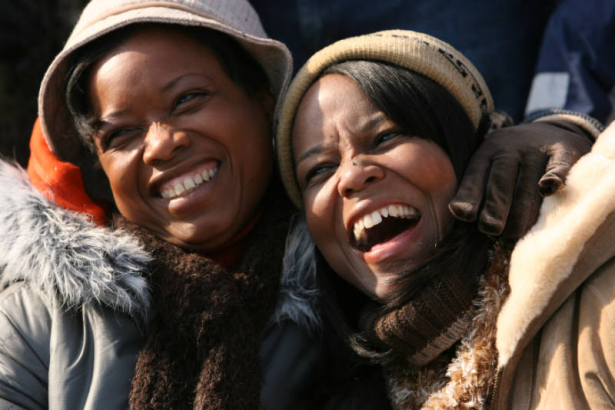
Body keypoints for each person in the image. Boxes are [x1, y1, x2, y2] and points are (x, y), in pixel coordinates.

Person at [0, 1, 602, 409]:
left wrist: (568, 138)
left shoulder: (344, 266)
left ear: (262, 101)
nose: (161, 143)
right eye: (120, 135)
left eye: (188, 99)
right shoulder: (35, 317)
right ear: (100, 168)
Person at [275, 30, 614, 409]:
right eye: (319, 170)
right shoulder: (353, 390)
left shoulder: (600, 310)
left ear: (472, 148)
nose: (351, 175)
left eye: (386, 137)